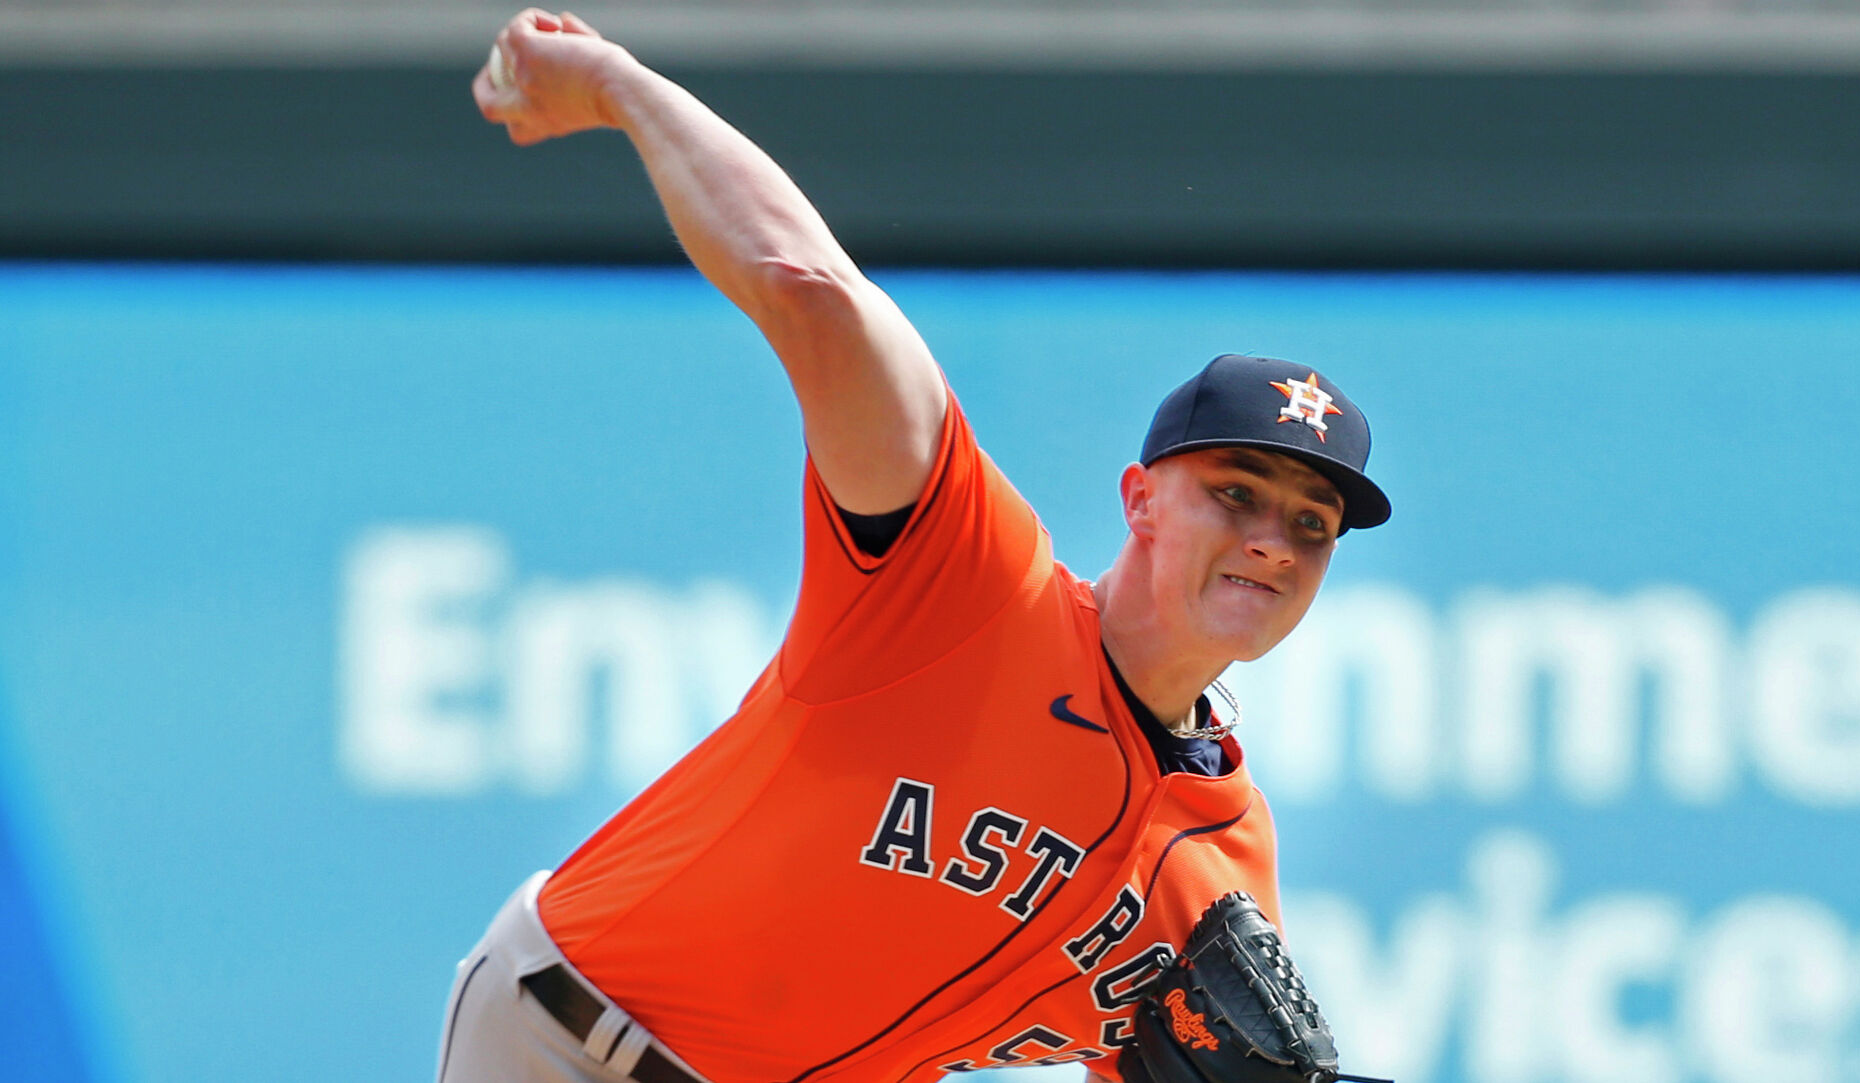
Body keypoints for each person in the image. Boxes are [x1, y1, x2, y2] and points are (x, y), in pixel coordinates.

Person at [442, 10, 1391, 1083]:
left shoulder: (1220, 864)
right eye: (1234, 492)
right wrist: (619, 88)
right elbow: (814, 295)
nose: (1271, 541)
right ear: (1139, 500)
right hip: (571, 1040)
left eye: (1310, 525)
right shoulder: (971, 583)